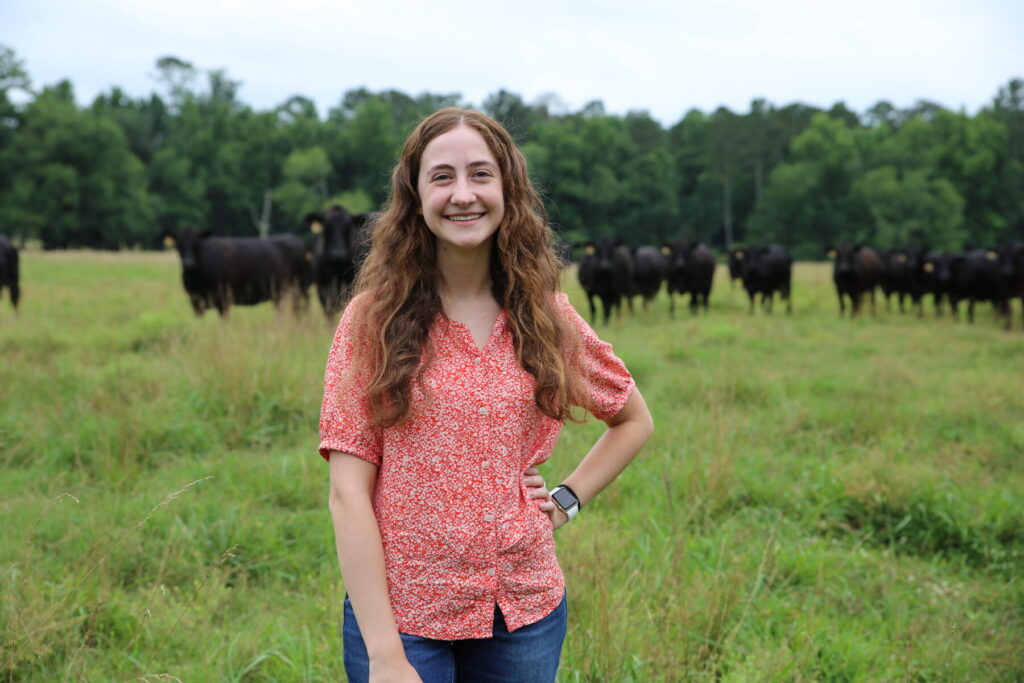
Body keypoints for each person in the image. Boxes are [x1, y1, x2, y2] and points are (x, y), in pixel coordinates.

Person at [319, 107, 654, 683]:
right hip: (404, 616)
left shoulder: (546, 316)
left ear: (507, 189)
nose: (463, 195)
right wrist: (385, 654)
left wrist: (566, 499)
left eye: (480, 174)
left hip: (522, 610)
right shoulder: (372, 320)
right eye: (442, 177)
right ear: (415, 196)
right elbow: (349, 492)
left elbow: (633, 419)